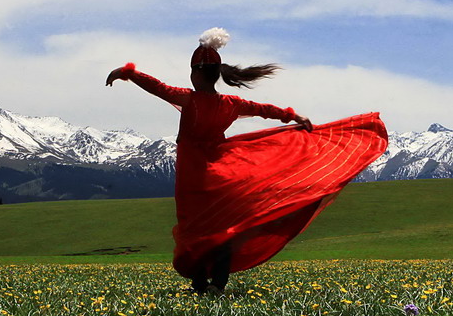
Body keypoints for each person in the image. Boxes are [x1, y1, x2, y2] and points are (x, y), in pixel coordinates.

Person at [106, 28, 388, 295]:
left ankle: (200, 285)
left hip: (193, 176)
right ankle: (217, 283)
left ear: (194, 74)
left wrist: (127, 72)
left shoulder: (189, 99)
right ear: (217, 75)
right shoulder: (229, 103)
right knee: (224, 227)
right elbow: (263, 109)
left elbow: (158, 87)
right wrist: (293, 117)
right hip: (222, 171)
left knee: (194, 227)